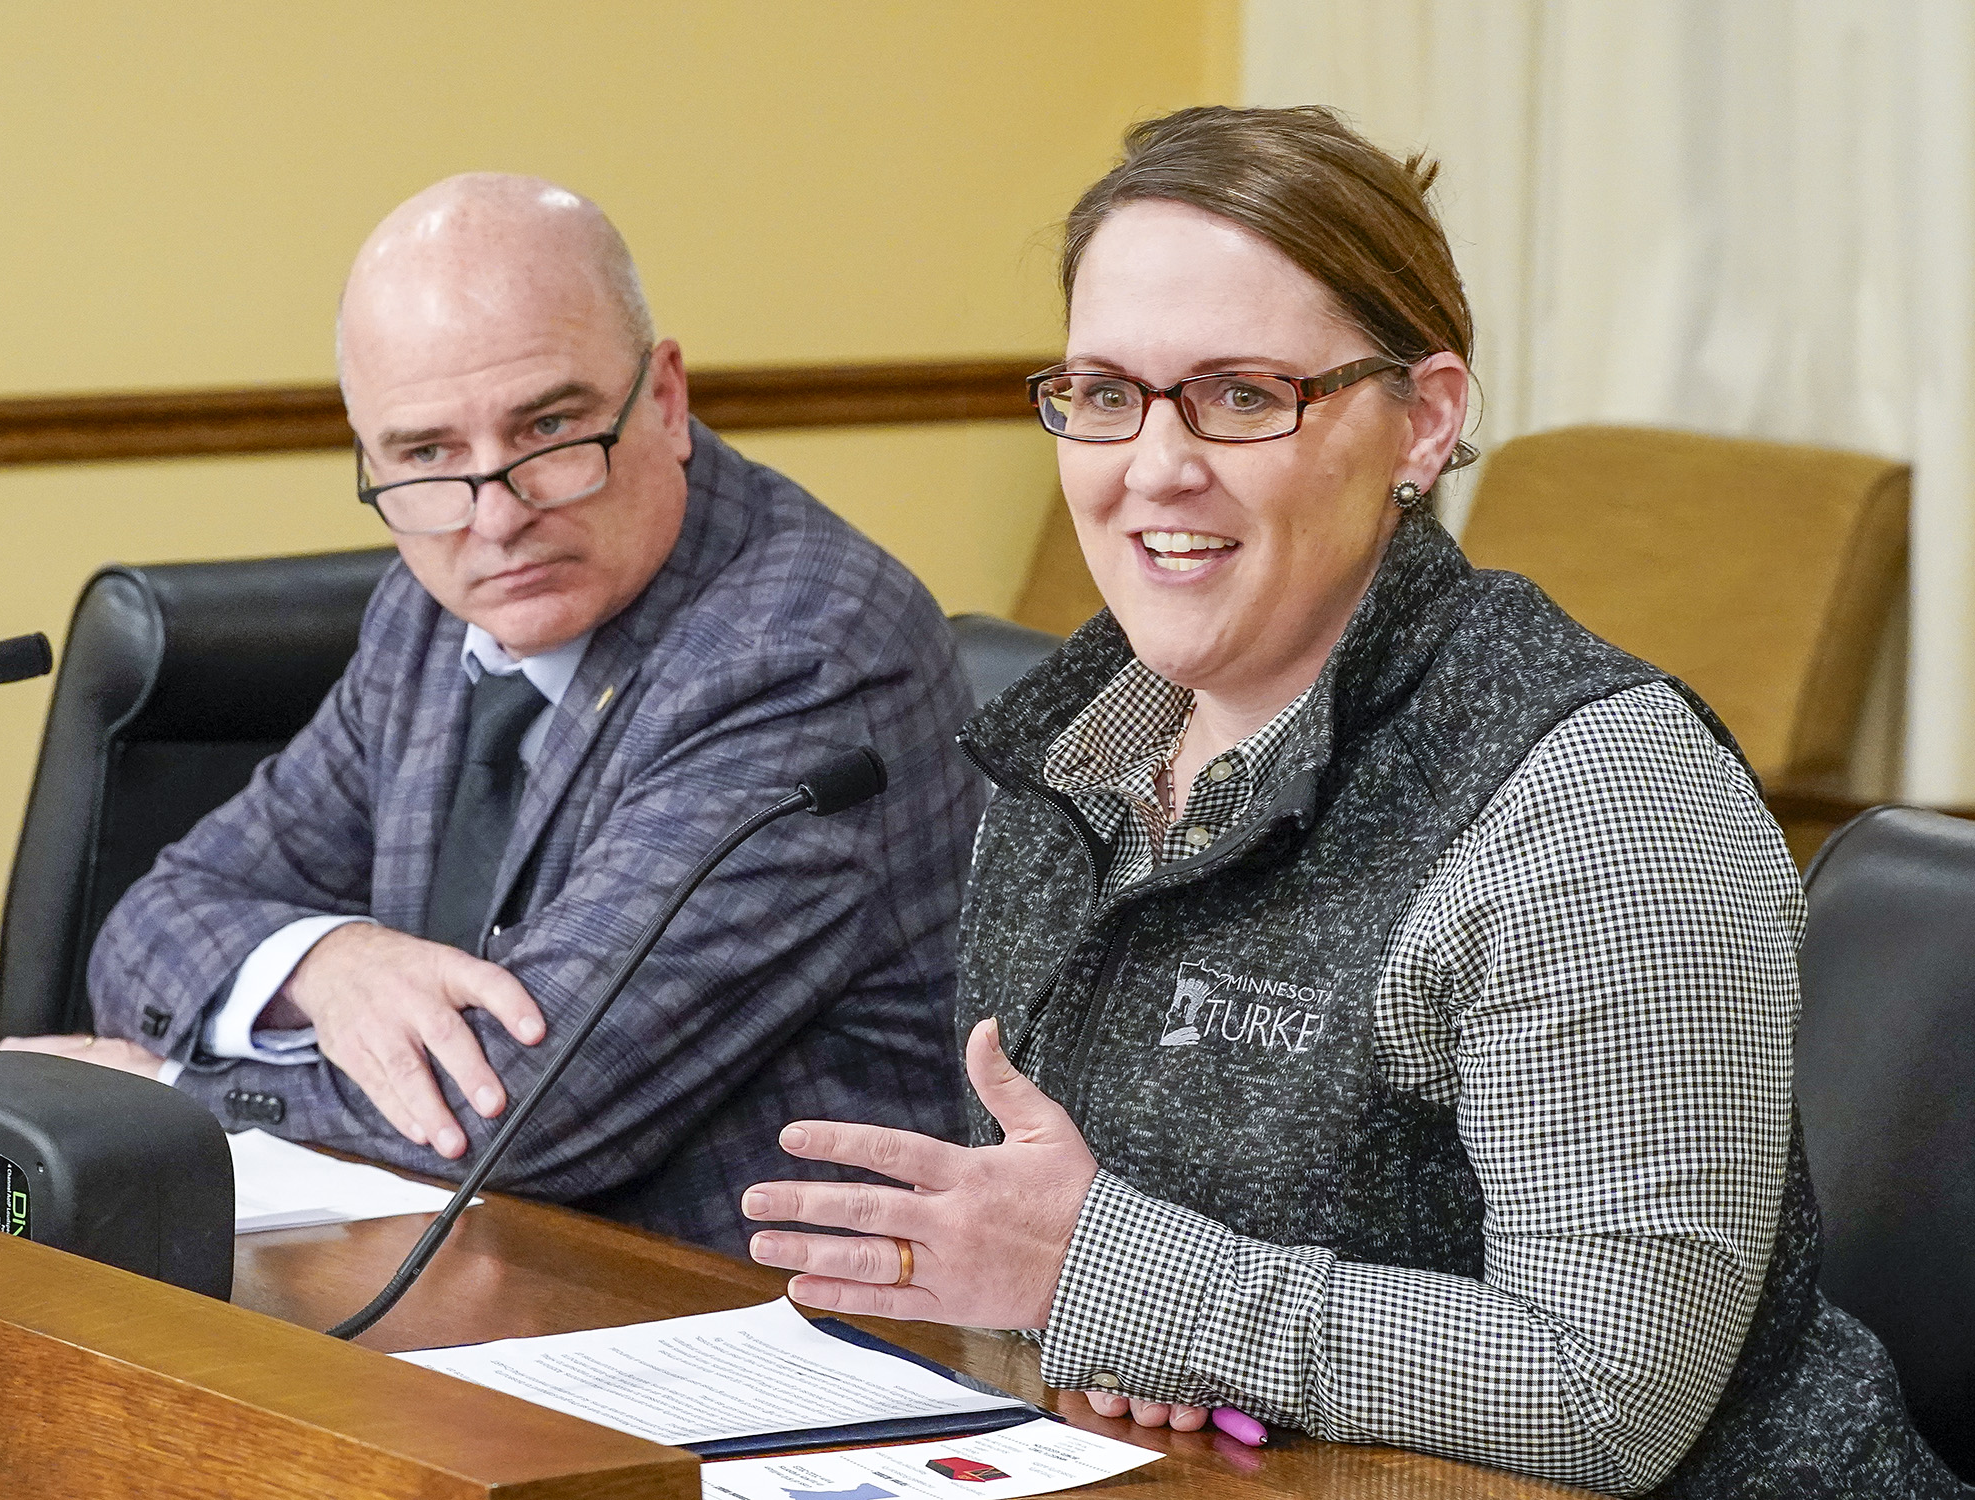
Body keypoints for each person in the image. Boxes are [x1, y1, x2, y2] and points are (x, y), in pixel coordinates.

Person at [739, 107, 1965, 1496]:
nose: (1152, 466)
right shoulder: (1074, 748)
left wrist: (1108, 1278)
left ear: (1424, 422)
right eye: (1102, 393)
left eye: (1242, 396)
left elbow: (1608, 1395)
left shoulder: (1603, 804)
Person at [3, 173, 984, 1254]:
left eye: (549, 427)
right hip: (461, 1290)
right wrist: (326, 963)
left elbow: (524, 1109)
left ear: (664, 399)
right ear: (372, 462)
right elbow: (159, 919)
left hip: (760, 1342)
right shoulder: (427, 615)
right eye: (426, 457)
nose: (496, 517)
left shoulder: (805, 651)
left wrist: (172, 1092)